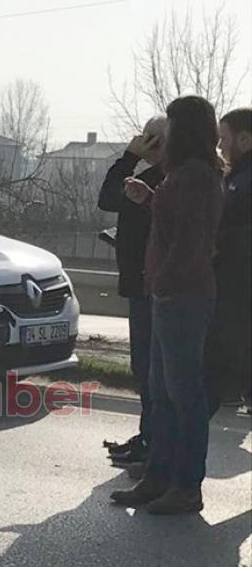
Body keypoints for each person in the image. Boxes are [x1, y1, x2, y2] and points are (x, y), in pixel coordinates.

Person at [111, 95, 224, 515]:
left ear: (185, 130)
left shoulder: (196, 175)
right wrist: (150, 197)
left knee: (183, 394)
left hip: (183, 296)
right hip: (170, 294)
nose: (165, 134)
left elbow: (190, 241)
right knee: (161, 392)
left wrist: (163, 281)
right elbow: (175, 219)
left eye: (171, 125)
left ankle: (186, 486)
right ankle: (158, 476)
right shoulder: (184, 174)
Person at [97, 114, 167, 466]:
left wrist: (129, 157)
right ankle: (148, 436)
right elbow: (111, 200)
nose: (143, 141)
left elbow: (108, 197)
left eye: (149, 137)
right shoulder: (154, 176)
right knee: (146, 368)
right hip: (141, 281)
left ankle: (153, 442)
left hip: (149, 284)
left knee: (151, 369)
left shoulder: (161, 180)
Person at [207, 107, 252, 416]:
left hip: (240, 282)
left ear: (244, 140)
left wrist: (219, 241)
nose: (220, 146)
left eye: (224, 138)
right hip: (229, 279)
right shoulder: (234, 177)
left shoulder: (245, 180)